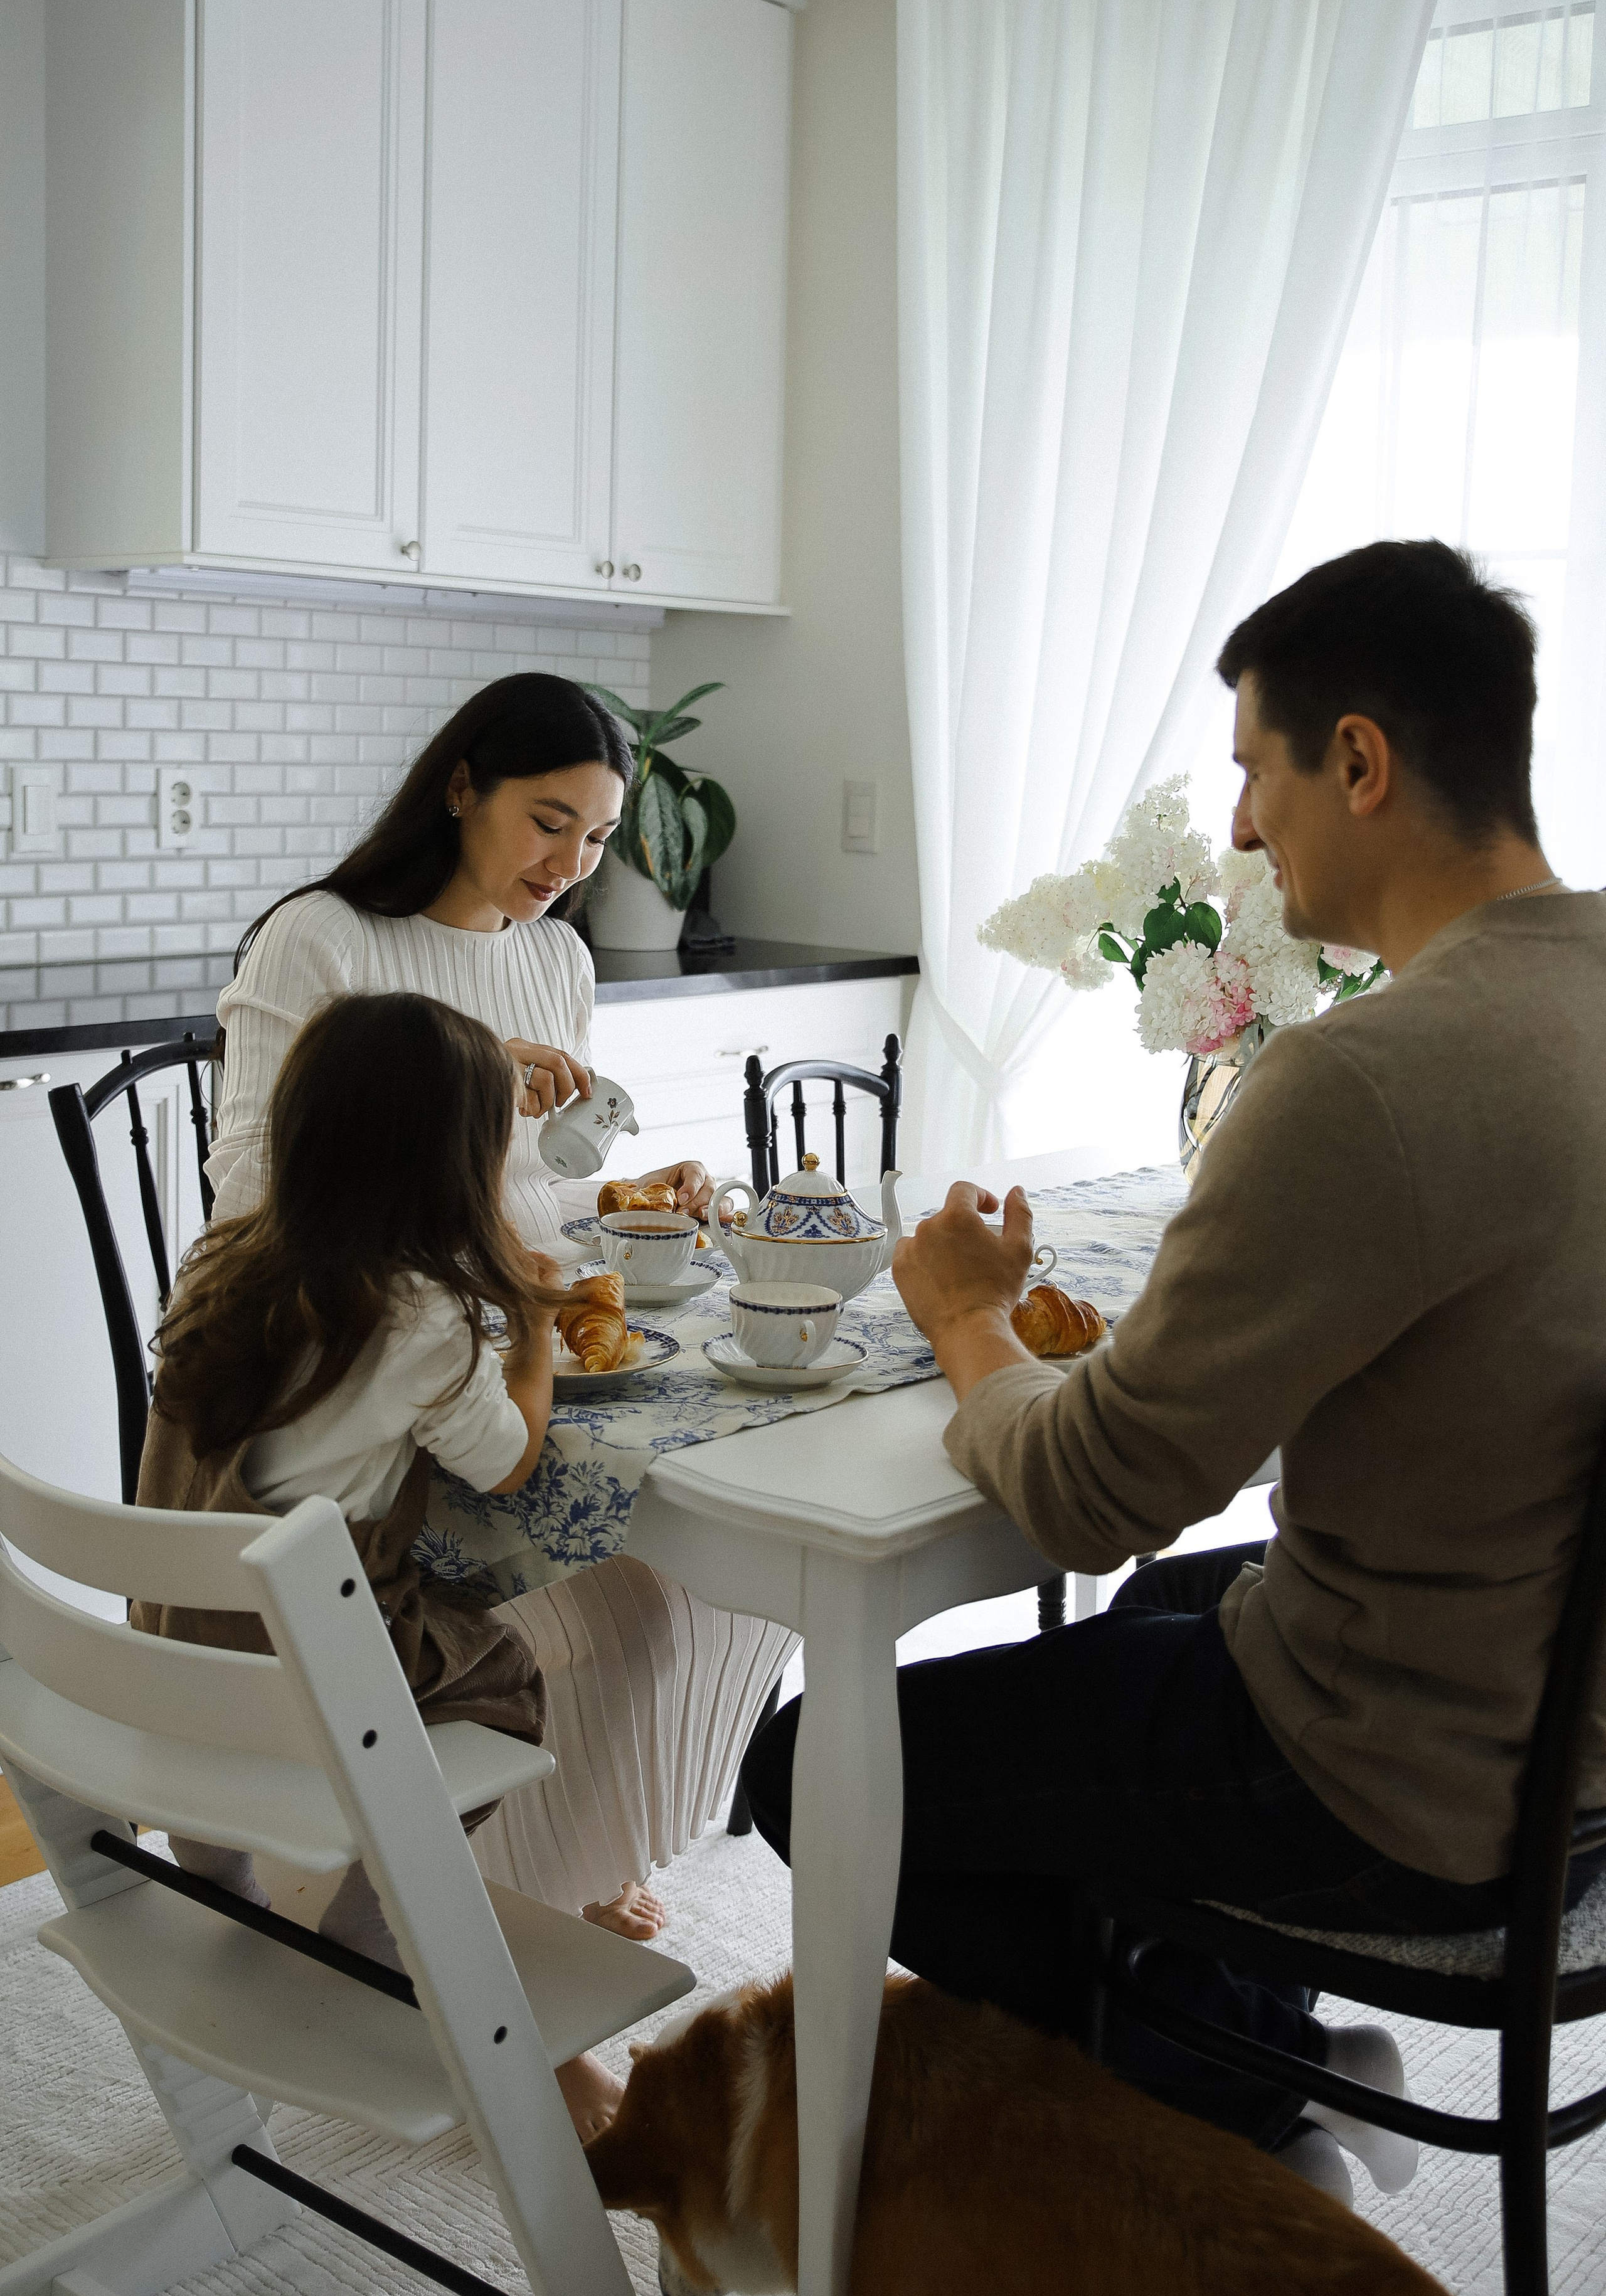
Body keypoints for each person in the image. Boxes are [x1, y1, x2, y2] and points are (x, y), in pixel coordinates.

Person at [740, 538, 1606, 2203]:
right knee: (1162, 1624)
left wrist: (963, 1318)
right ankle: (1258, 2034)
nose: (1235, 831)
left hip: (1402, 1778)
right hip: (1575, 1743)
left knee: (811, 1768)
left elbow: (1089, 1495)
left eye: (1251, 773)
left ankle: (1236, 2094)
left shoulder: (1370, 1082)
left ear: (1357, 762)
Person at [207, 672, 797, 1945]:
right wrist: (463, 1082)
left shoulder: (556, 956)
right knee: (644, 1611)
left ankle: (576, 1843)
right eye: (546, 822)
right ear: (460, 784)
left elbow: (537, 1190)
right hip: (390, 1410)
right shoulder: (321, 940)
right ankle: (517, 1915)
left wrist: (632, 1195)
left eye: (592, 839)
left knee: (751, 1584)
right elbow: (257, 1198)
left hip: (518, 1356)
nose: (566, 866)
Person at [136, 990, 632, 2140]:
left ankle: (210, 1862)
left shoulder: (226, 1258)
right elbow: (510, 1467)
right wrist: (537, 1311)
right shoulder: (428, 1321)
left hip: (174, 1641)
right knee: (499, 1669)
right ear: (453, 1165)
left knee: (370, 1608)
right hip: (306, 1669)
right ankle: (367, 1911)